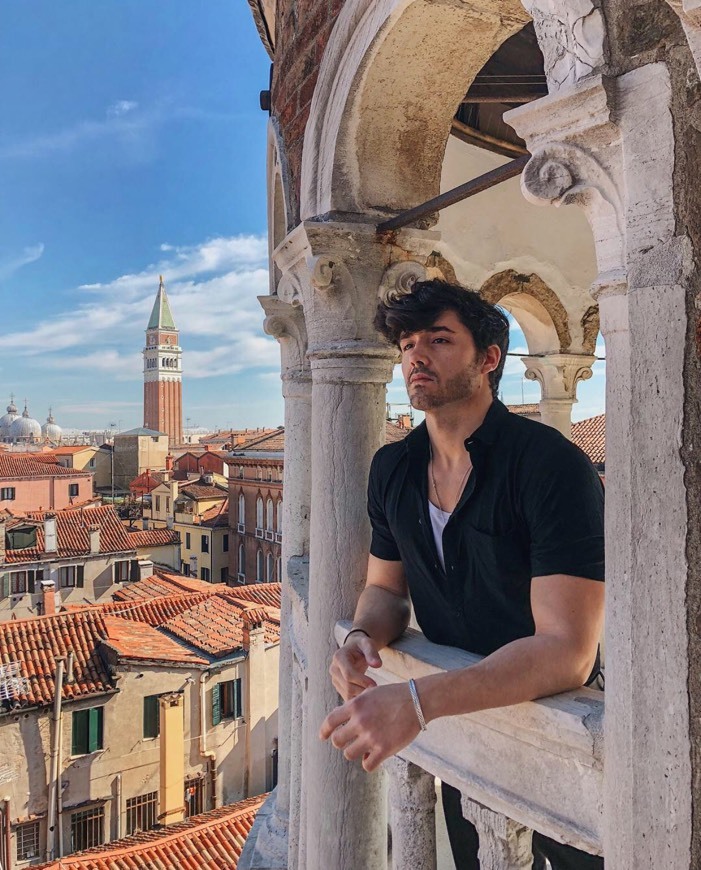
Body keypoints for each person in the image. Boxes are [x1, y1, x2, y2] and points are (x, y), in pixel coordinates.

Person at [319, 279, 605, 870]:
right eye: (406, 343)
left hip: (554, 729)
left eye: (439, 339)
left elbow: (568, 651)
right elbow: (385, 590)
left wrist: (419, 704)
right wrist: (361, 638)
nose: (416, 355)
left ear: (489, 359)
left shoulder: (550, 465)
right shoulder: (392, 468)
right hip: (467, 724)